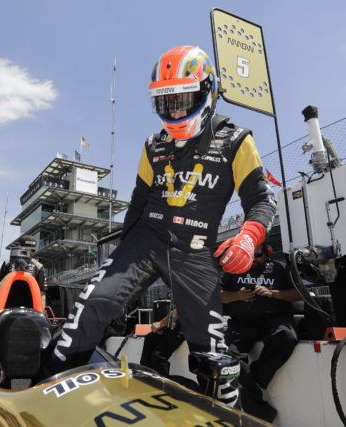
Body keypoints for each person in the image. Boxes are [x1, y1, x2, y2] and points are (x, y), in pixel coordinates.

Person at [46, 45, 276, 407]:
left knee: (211, 350)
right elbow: (138, 202)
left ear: (207, 91)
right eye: (166, 102)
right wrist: (121, 253)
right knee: (93, 303)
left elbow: (262, 200)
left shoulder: (237, 140)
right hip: (145, 240)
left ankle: (227, 412)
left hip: (195, 251)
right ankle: (49, 390)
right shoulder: (152, 144)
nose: (176, 111)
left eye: (183, 99)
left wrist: (248, 238)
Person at [221, 244, 302, 421]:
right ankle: (261, 414)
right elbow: (216, 295)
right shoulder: (233, 268)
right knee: (230, 356)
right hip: (242, 323)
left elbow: (299, 294)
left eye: (257, 255)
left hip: (274, 319)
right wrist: (238, 296)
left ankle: (254, 377)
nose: (253, 259)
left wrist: (272, 293)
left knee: (287, 337)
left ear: (266, 253)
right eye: (249, 255)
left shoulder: (279, 268)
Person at [0, 234, 45, 299]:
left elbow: (42, 292)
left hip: (29, 303)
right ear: (19, 249)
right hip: (8, 301)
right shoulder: (7, 263)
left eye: (33, 250)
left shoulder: (39, 267)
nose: (31, 253)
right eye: (27, 250)